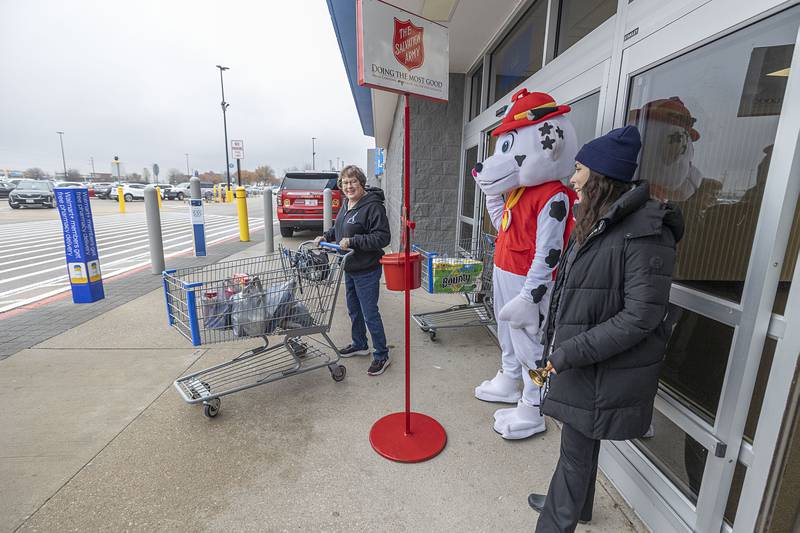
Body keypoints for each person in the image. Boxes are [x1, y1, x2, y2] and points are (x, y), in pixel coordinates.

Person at [527, 126, 684, 532]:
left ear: (600, 177)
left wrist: (568, 352)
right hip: (587, 358)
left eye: (579, 169)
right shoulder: (601, 219)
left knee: (576, 448)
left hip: (600, 364)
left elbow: (640, 317)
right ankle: (576, 505)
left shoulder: (647, 231)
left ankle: (556, 521)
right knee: (581, 440)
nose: (573, 178)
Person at [314, 165, 391, 376]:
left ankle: (382, 354)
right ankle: (360, 344)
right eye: (345, 183)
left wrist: (354, 241)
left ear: (362, 183)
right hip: (348, 266)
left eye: (353, 182)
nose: (349, 186)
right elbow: (340, 227)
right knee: (354, 310)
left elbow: (383, 237)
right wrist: (327, 236)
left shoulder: (373, 206)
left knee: (369, 313)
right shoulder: (347, 203)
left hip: (367, 269)